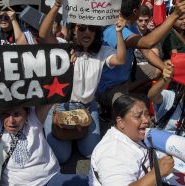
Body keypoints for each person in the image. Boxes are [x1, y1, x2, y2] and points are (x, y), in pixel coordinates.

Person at [39, 0, 127, 163]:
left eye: (92, 28)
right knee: (61, 157)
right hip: (61, 107)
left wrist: (119, 32)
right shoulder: (63, 47)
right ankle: (58, 133)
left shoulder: (102, 51)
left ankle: (75, 137)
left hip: (87, 107)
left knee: (89, 153)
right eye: (82, 28)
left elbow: (121, 59)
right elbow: (43, 35)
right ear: (73, 30)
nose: (87, 33)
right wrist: (57, 5)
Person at [96, 0, 185, 112]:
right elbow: (147, 42)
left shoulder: (131, 25)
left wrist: (165, 68)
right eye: (140, 6)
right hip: (109, 88)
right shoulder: (115, 29)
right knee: (133, 111)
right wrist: (174, 15)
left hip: (125, 82)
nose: (142, 8)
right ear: (135, 11)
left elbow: (147, 51)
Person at [0, 104, 88, 185]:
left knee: (87, 181)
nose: (11, 120)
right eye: (5, 114)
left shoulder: (34, 120)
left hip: (48, 179)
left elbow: (51, 94)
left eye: (17, 114)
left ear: (27, 112)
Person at [89, 95, 174, 186]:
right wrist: (157, 172)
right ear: (120, 122)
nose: (146, 120)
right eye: (138, 116)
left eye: (147, 114)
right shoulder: (113, 153)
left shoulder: (134, 134)